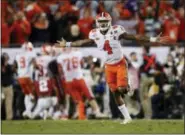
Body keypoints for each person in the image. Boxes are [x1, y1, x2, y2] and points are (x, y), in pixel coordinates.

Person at [56, 12, 170, 124]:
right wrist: (67, 44)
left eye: (105, 22)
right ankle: (127, 117)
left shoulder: (116, 30)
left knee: (122, 89)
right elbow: (83, 42)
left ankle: (127, 85)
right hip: (108, 66)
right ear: (97, 23)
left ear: (109, 22)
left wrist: (152, 39)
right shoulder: (94, 34)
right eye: (101, 22)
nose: (103, 24)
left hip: (120, 63)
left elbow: (134, 36)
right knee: (115, 93)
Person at [57, 48, 106, 119]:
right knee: (89, 96)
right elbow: (81, 63)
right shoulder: (77, 54)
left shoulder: (60, 57)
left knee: (78, 100)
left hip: (69, 80)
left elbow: (60, 71)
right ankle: (97, 111)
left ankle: (81, 115)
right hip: (79, 78)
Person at [31, 45, 58, 119]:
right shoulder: (49, 58)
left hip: (38, 80)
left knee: (39, 96)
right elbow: (56, 59)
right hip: (47, 79)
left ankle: (39, 112)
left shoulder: (37, 59)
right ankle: (48, 112)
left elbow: (34, 65)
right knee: (54, 97)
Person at [14, 42, 36, 118]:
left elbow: (14, 67)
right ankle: (27, 111)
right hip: (27, 78)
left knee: (27, 95)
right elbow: (35, 65)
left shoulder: (18, 56)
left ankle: (27, 110)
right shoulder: (30, 54)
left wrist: (19, 73)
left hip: (20, 78)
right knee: (33, 96)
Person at [1, 53, 15, 120]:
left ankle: (9, 118)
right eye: (5, 58)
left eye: (7, 58)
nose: (6, 59)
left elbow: (12, 71)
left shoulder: (9, 66)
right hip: (1, 87)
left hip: (9, 87)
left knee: (9, 103)